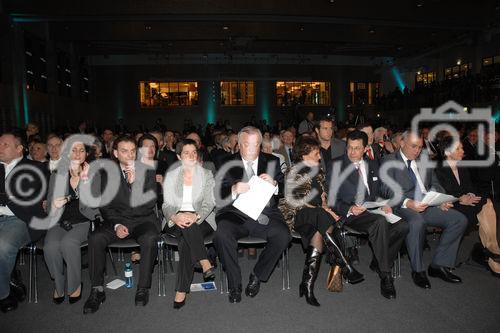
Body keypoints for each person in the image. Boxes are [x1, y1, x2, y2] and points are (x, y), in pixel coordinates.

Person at [279, 137, 364, 306]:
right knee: (321, 216)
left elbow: (323, 198)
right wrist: (324, 209)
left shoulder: (318, 171)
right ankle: (345, 265)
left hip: (317, 217)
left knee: (319, 233)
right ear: (304, 155)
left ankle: (307, 285)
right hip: (298, 214)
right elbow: (298, 200)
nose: (319, 157)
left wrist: (327, 207)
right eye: (316, 153)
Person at [214, 126, 291, 303]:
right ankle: (234, 285)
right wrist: (233, 189)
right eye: (248, 145)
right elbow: (219, 194)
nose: (252, 149)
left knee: (283, 235)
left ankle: (257, 275)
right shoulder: (226, 162)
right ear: (239, 145)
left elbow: (284, 188)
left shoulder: (271, 160)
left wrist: (275, 184)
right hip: (235, 215)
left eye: (256, 145)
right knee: (222, 234)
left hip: (265, 213)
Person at [83, 135, 160, 314]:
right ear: (116, 153)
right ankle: (97, 289)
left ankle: (143, 287)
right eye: (124, 151)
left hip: (143, 220)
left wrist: (134, 186)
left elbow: (150, 204)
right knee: (95, 238)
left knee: (150, 238)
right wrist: (117, 224)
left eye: (133, 151)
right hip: (116, 221)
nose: (130, 155)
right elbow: (105, 205)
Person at [383, 131, 468, 289]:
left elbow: (434, 182)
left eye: (420, 147)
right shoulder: (389, 160)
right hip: (403, 205)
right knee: (417, 221)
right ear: (402, 143)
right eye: (413, 146)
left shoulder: (423, 158)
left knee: (459, 220)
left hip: (427, 203)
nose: (417, 150)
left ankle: (439, 265)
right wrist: (408, 203)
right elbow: (386, 189)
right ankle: (418, 270)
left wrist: (440, 199)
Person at [332, 130, 409, 299]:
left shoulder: (373, 164)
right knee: (379, 223)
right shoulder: (336, 166)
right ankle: (385, 274)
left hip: (374, 209)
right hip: (352, 214)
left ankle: (379, 260)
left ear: (366, 148)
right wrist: (350, 208)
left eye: (356, 148)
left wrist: (388, 201)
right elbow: (332, 200)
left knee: (403, 225)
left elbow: (381, 188)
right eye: (349, 148)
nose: (352, 152)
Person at [44, 142, 101, 304]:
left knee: (68, 243)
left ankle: (75, 284)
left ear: (86, 154)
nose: (77, 154)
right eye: (73, 151)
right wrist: (53, 206)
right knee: (50, 247)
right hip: (60, 221)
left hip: (84, 220)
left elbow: (95, 204)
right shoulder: (57, 175)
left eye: (81, 151)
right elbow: (49, 205)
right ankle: (58, 282)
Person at [162, 139, 217, 309]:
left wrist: (196, 215)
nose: (192, 156)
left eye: (194, 152)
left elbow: (210, 202)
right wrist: (175, 216)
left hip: (203, 219)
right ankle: (204, 260)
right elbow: (166, 205)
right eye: (187, 153)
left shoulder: (206, 174)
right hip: (176, 220)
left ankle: (181, 290)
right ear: (179, 156)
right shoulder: (171, 176)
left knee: (187, 236)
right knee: (187, 233)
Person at [434, 137, 500, 277]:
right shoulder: (439, 168)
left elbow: (469, 186)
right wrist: (461, 198)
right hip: (450, 204)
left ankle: (492, 250)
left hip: (464, 201)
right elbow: (444, 192)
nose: (462, 151)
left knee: (487, 203)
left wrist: (469, 195)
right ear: (447, 152)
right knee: (484, 208)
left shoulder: (461, 166)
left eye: (462, 148)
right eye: (458, 149)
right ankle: (493, 252)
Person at [0, 132, 47, 312]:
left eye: (5, 145)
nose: (0, 148)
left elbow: (32, 201)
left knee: (3, 245)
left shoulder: (36, 168)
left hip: (21, 220)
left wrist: (5, 199)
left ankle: (3, 295)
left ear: (19, 149)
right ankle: (10, 276)